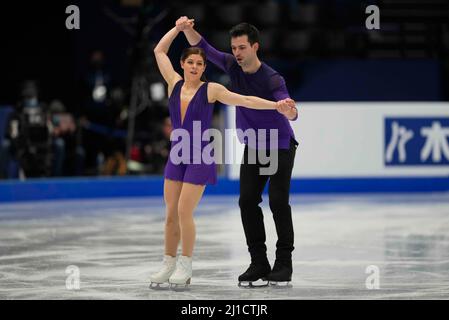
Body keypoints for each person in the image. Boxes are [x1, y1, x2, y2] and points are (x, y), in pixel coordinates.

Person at [149, 22, 295, 288]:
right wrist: (179, 28)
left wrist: (282, 107)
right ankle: (257, 263)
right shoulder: (208, 72)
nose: (237, 52)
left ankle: (283, 264)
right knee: (244, 202)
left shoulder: (263, 79)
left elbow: (255, 101)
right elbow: (185, 48)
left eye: (242, 47)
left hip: (275, 144)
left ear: (255, 47)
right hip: (233, 148)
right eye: (234, 48)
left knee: (276, 201)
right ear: (182, 63)